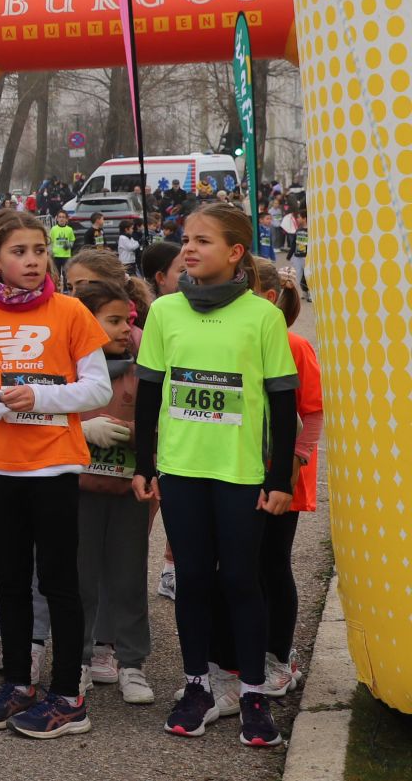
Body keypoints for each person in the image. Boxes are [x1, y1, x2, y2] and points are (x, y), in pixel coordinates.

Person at [131, 203, 296, 748]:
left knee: (241, 581)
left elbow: (282, 403)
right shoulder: (164, 313)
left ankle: (252, 692)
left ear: (235, 252)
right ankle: (197, 686)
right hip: (181, 471)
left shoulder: (263, 316)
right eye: (185, 239)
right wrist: (144, 464)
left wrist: (279, 480)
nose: (189, 248)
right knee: (194, 580)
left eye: (203, 240)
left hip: (240, 473)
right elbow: (151, 393)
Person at [0, 210, 112, 739]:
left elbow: (98, 389)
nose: (32, 260)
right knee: (13, 582)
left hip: (55, 465)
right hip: (1, 466)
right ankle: (19, 684)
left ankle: (69, 697)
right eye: (20, 252)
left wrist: (40, 396)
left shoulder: (70, 312)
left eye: (39, 251)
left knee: (60, 582)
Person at [70, 277, 156, 707]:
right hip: (78, 493)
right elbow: (44, 423)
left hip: (129, 494)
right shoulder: (69, 373)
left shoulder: (142, 373)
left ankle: (133, 664)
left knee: (128, 577)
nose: (127, 328)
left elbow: (163, 429)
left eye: (129, 319)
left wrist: (130, 435)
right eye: (115, 320)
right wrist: (82, 431)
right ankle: (78, 662)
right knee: (79, 579)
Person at [247, 257, 318, 698]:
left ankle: (279, 656)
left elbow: (311, 411)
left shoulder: (294, 346)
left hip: (282, 478)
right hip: (239, 473)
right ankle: (246, 655)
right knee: (243, 568)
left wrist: (294, 462)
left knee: (272, 564)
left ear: (268, 299)